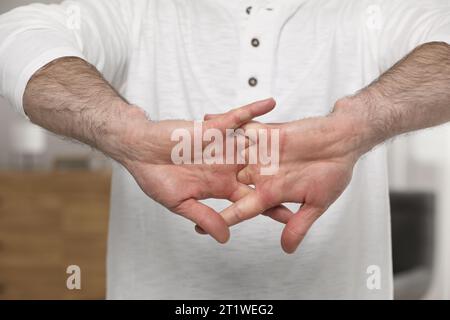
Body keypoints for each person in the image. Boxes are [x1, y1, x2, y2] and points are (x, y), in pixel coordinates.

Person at [0, 0, 448, 299]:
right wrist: (121, 132)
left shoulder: (372, 9)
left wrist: (362, 122)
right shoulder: (139, 9)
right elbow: (16, 34)